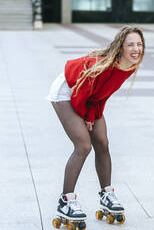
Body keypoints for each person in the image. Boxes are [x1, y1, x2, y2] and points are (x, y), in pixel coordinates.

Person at [46, 25, 145, 223]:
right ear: (120, 47)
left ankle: (106, 194)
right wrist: (86, 117)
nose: (136, 49)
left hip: (88, 96)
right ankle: (65, 201)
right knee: (83, 145)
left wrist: (92, 115)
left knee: (103, 142)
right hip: (68, 89)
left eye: (140, 44)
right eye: (131, 45)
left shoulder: (129, 65)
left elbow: (102, 93)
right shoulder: (105, 66)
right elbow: (79, 95)